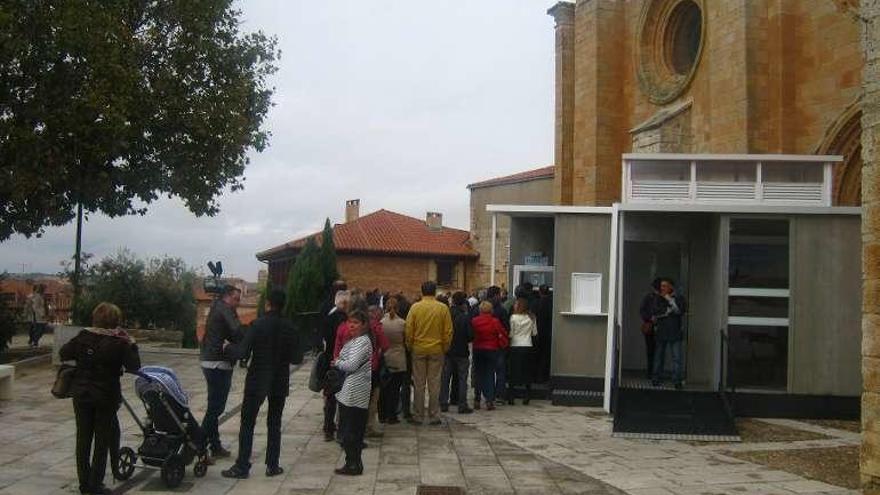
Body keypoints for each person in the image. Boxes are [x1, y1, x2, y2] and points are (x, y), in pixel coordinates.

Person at [60, 303, 141, 495]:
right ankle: (96, 484)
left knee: (83, 438)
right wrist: (132, 344)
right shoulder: (119, 343)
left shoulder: (83, 337)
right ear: (115, 321)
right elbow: (134, 366)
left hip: (81, 393)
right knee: (102, 440)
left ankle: (84, 483)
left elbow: (64, 353)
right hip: (105, 395)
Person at [221, 289, 301, 479]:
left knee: (247, 423)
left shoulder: (257, 325)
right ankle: (272, 465)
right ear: (284, 305)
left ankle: (242, 466)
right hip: (279, 380)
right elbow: (297, 358)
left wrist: (227, 347)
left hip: (258, 380)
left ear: (267, 304)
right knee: (274, 424)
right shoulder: (290, 327)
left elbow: (242, 352)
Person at [199, 285, 245, 458]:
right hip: (218, 363)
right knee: (216, 409)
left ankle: (215, 445)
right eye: (236, 299)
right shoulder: (225, 309)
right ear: (227, 297)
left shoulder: (218, 307)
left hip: (211, 361)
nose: (238, 303)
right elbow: (237, 330)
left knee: (214, 406)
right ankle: (199, 445)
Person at [404, 281, 453, 426]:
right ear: (435, 292)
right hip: (437, 349)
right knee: (435, 383)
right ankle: (434, 415)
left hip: (418, 348)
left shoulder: (415, 307)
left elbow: (409, 330)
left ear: (422, 291)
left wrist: (410, 345)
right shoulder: (442, 308)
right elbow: (448, 331)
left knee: (418, 384)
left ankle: (418, 415)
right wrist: (445, 347)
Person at [332, 311, 373, 476]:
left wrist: (338, 362)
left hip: (355, 391)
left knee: (352, 430)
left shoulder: (362, 342)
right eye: (350, 322)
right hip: (349, 390)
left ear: (363, 325)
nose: (352, 325)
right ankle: (353, 462)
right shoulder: (355, 341)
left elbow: (351, 365)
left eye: (355, 322)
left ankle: (353, 464)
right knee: (350, 429)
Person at [323, 290, 350, 442]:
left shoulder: (328, 316)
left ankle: (328, 428)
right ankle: (340, 428)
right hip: (342, 360)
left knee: (330, 396)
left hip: (331, 360)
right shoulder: (345, 320)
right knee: (342, 396)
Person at [651, 278, 688, 389]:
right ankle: (656, 379)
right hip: (661, 331)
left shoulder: (679, 298)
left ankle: (677, 381)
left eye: (665, 286)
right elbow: (655, 311)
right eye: (661, 286)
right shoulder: (658, 298)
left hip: (674, 331)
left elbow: (680, 311)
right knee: (658, 357)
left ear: (671, 287)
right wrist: (665, 312)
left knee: (676, 358)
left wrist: (669, 300)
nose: (662, 288)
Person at [471, 301, 508, 410]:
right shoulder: (495, 321)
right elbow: (502, 333)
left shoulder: (474, 321)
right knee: (490, 374)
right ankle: (489, 400)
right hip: (492, 349)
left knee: (478, 374)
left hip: (478, 349)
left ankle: (477, 399)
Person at [440, 292, 473, 414]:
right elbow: (470, 336)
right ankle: (462, 404)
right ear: (463, 303)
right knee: (462, 378)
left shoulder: (446, 314)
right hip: (461, 351)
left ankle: (443, 402)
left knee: (445, 378)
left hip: (447, 350)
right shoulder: (465, 317)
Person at [379, 297, 407, 424]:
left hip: (385, 357)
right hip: (398, 358)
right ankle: (392, 415)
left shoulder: (381, 323)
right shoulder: (402, 323)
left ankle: (381, 414)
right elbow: (406, 341)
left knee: (383, 388)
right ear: (398, 308)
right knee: (395, 389)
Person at [365, 305, 390, 437]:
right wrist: (379, 352)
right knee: (373, 397)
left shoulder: (353, 325)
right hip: (373, 366)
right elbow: (385, 345)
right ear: (375, 314)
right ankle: (369, 426)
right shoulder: (376, 326)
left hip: (355, 366)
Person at [507, 298, 537, 404]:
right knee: (527, 371)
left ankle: (511, 397)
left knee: (513, 371)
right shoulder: (532, 317)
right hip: (528, 345)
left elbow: (510, 333)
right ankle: (527, 396)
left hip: (515, 345)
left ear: (518, 306)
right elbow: (534, 333)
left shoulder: (513, 318)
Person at [486, 286, 510, 405]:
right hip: (498, 346)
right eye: (499, 294)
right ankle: (499, 395)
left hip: (484, 346)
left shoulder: (480, 309)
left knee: (487, 371)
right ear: (495, 295)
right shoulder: (501, 310)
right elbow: (507, 328)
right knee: (500, 372)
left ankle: (486, 395)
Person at [638, 278, 662, 379]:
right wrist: (650, 317)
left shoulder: (651, 297)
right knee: (653, 350)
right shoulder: (649, 297)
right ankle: (652, 372)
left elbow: (642, 310)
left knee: (656, 351)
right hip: (651, 326)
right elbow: (642, 310)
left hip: (659, 327)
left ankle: (654, 373)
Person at [535, 285, 553, 383]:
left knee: (539, 355)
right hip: (548, 332)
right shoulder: (551, 303)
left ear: (539, 292)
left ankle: (539, 377)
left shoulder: (537, 303)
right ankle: (544, 376)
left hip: (539, 333)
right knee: (546, 355)